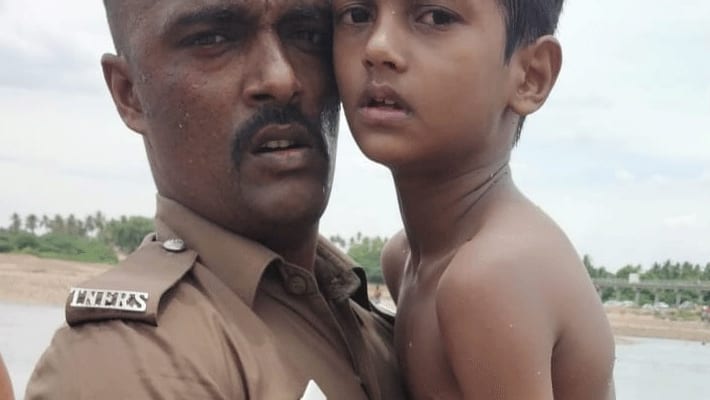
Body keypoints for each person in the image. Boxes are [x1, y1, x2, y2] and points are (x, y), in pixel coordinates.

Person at [25, 1, 405, 399]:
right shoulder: (127, 361)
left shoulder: (379, 318)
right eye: (213, 39)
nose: (281, 78)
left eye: (308, 34)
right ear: (129, 93)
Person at [333, 0, 615, 398]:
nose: (377, 47)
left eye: (436, 17)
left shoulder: (489, 277)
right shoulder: (405, 259)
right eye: (357, 15)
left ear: (530, 76)